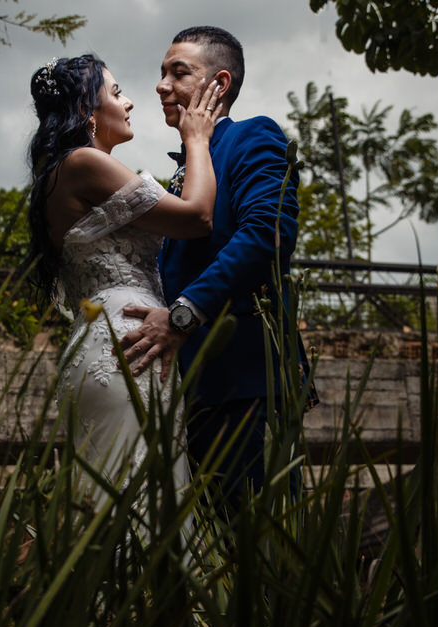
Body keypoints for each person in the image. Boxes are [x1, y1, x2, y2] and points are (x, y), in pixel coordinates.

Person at [24, 54, 224, 506]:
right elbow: (197, 216)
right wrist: (196, 140)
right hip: (130, 345)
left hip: (97, 343)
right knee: (142, 502)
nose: (130, 102)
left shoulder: (53, 178)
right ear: (85, 112)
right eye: (116, 93)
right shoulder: (83, 164)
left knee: (112, 501)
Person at [119, 27, 305, 511]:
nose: (161, 85)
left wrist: (183, 314)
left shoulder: (252, 137)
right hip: (191, 388)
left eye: (178, 72)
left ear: (219, 84)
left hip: (239, 381)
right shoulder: (188, 168)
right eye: (161, 72)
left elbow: (268, 234)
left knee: (253, 547)